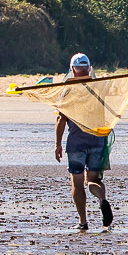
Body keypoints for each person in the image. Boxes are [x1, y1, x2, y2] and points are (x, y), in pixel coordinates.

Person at [51, 53, 114, 231]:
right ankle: (102, 199)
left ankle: (83, 221)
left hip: (76, 145)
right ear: (88, 68)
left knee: (77, 184)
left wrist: (57, 145)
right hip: (97, 143)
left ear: (72, 70)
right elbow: (110, 87)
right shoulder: (98, 88)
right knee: (93, 180)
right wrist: (106, 79)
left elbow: (61, 120)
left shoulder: (68, 91)